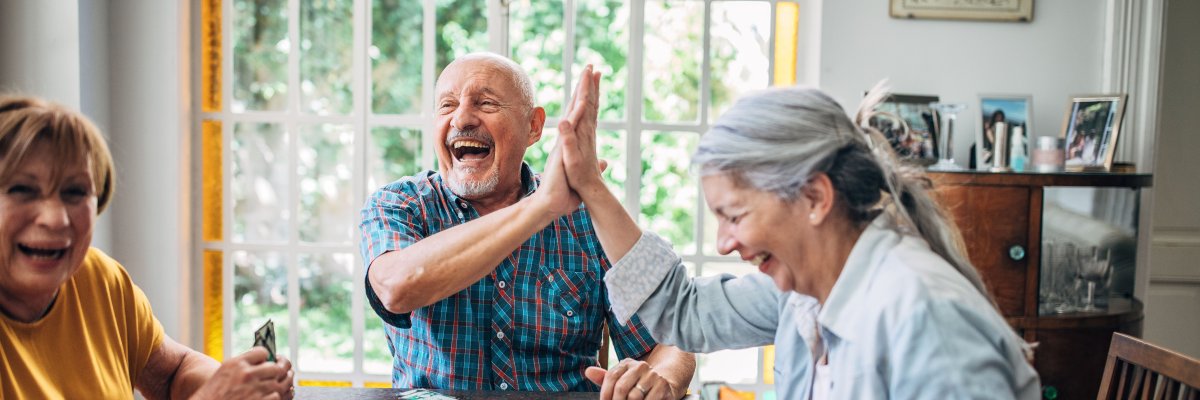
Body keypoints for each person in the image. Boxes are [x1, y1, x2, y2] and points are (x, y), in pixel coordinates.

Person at [552, 86, 1041, 398]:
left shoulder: (926, 316)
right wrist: (592, 189)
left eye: (734, 216)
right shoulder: (803, 293)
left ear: (814, 197)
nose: (724, 243)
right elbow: (684, 311)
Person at [359, 53, 694, 399]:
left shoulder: (588, 219)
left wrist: (660, 379)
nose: (461, 117)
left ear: (533, 127)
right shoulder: (400, 204)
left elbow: (668, 340)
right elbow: (396, 289)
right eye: (447, 105)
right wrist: (541, 206)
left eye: (485, 103)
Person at [0, 96, 294, 399]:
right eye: (21, 190)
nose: (56, 218)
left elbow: (174, 371)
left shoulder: (99, 277)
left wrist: (239, 385)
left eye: (75, 191)